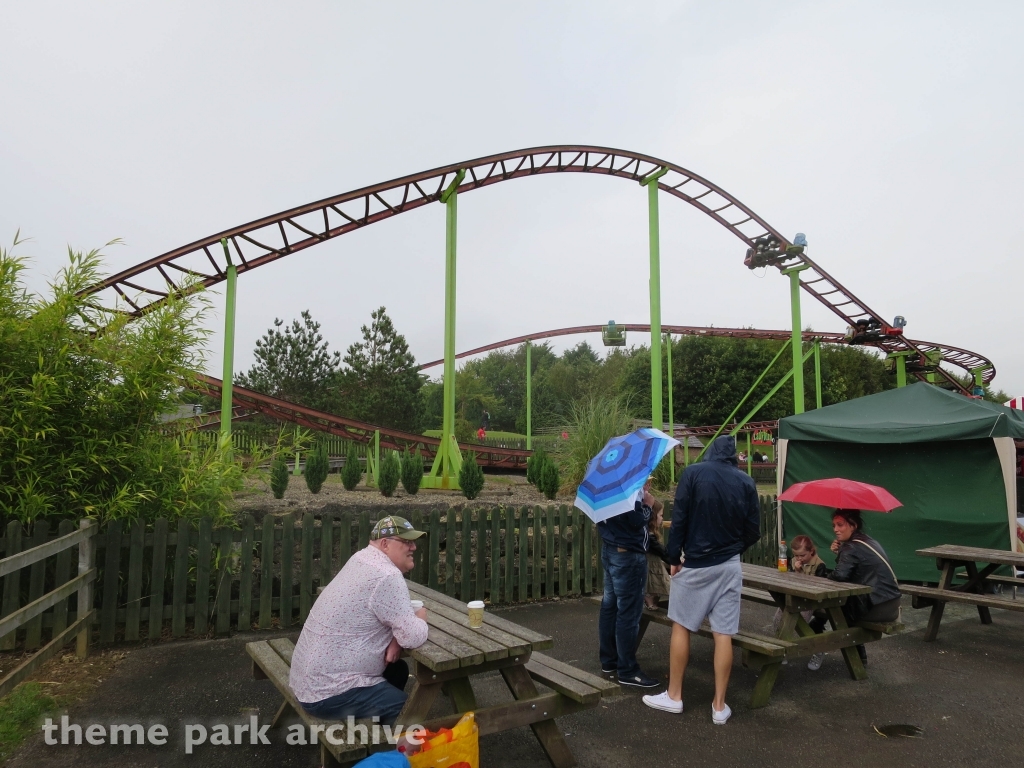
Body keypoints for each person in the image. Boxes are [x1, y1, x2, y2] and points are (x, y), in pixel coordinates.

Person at [642, 435, 760, 723]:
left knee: (681, 626)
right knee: (724, 634)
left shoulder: (693, 474)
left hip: (694, 563)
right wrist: (733, 550)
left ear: (710, 453)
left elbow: (680, 519)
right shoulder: (747, 482)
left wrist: (673, 558)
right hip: (730, 566)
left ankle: (674, 696)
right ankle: (719, 706)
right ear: (734, 457)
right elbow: (753, 531)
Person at [289, 515, 429, 725]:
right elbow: (412, 635)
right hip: (325, 693)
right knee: (407, 710)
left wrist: (395, 640)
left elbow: (388, 618)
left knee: (398, 670)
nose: (414, 547)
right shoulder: (387, 575)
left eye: (413, 541)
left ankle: (380, 736)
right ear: (385, 544)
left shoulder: (361, 559)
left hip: (307, 680)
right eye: (406, 541)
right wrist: (421, 616)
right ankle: (384, 753)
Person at [817, 508, 901, 666]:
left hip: (877, 607)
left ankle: (816, 647)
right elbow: (858, 568)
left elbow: (840, 576)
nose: (835, 529)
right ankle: (858, 657)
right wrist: (841, 551)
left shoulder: (851, 547)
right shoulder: (866, 540)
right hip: (891, 603)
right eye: (834, 525)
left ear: (853, 525)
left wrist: (825, 573)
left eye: (840, 524)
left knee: (825, 609)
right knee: (836, 609)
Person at [597, 483, 660, 688]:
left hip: (610, 549)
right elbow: (635, 520)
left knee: (610, 606)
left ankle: (609, 660)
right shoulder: (626, 488)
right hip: (628, 555)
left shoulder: (605, 486)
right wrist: (648, 504)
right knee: (629, 613)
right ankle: (628, 670)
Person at [789, 535, 828, 672]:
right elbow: (790, 581)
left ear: (811, 551)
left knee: (798, 621)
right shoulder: (794, 561)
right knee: (781, 616)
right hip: (798, 598)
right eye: (796, 555)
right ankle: (782, 649)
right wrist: (796, 571)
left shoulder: (819, 565)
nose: (799, 559)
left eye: (802, 555)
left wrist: (801, 574)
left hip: (814, 602)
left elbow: (817, 588)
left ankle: (818, 650)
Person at [644, 487, 671, 611]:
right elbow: (662, 551)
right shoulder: (649, 536)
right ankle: (649, 595)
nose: (662, 518)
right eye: (660, 515)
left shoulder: (649, 534)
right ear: (653, 517)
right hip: (649, 574)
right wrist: (675, 560)